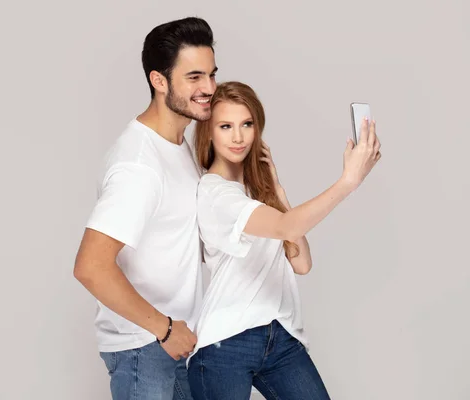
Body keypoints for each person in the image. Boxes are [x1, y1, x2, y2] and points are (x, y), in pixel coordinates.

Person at [187, 81, 381, 399]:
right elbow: (285, 227)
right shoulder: (214, 192)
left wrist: (275, 189)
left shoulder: (255, 192)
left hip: (279, 336)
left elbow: (301, 263)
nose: (238, 136)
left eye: (246, 124)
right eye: (225, 126)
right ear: (209, 132)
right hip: (225, 343)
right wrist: (348, 182)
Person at [73, 17, 218, 400]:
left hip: (176, 344)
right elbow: (91, 266)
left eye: (211, 74)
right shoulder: (139, 165)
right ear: (159, 80)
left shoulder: (177, 145)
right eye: (194, 77)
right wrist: (165, 329)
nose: (209, 89)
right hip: (147, 347)